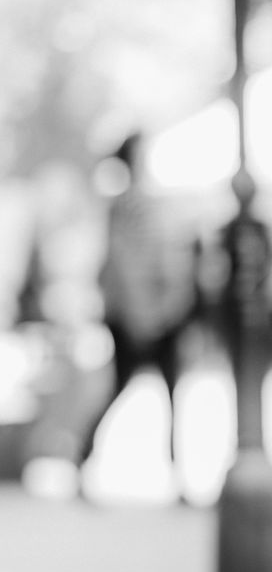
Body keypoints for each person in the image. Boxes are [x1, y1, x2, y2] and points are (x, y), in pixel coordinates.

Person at [78, 132, 199, 496]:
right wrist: (140, 315)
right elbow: (122, 262)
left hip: (162, 313)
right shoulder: (128, 205)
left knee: (171, 393)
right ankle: (82, 457)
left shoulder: (151, 201)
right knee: (121, 388)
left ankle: (177, 476)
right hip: (137, 316)